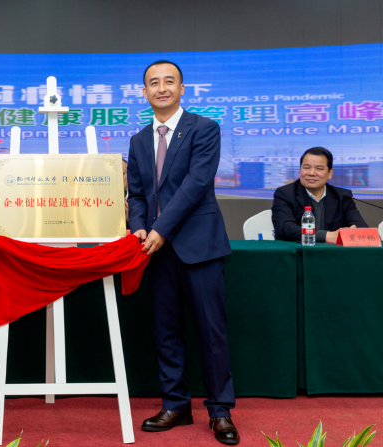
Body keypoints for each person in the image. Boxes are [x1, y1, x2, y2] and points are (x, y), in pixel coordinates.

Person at [127, 60, 239, 445]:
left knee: (211, 330)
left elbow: (196, 184)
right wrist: (138, 226)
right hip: (155, 251)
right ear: (144, 92)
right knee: (166, 331)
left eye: (169, 81)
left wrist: (160, 228)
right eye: (153, 83)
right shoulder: (138, 140)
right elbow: (137, 194)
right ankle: (175, 404)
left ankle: (220, 411)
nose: (161, 88)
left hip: (199, 244)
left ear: (182, 88)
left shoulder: (204, 129)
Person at [272, 147, 368, 243]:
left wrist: (352, 232)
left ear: (330, 173)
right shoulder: (285, 194)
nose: (312, 173)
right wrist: (326, 236)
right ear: (300, 170)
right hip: (298, 251)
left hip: (333, 252)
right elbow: (284, 228)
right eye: (306, 167)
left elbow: (361, 229)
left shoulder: (343, 196)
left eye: (319, 168)